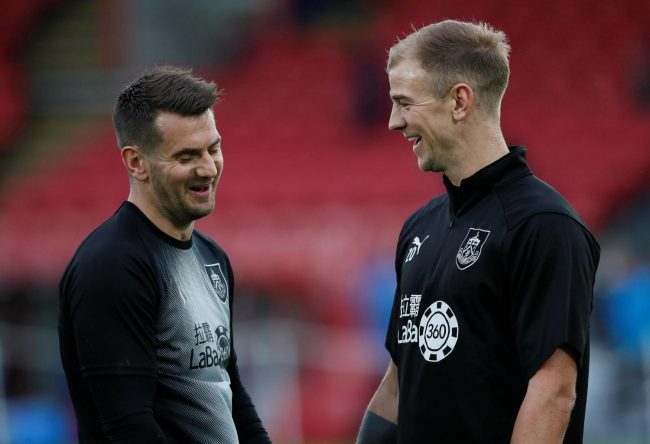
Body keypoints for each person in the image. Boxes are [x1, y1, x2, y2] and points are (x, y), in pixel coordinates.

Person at [357, 20, 600, 443]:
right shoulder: (419, 228)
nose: (395, 121)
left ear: (459, 101)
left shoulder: (544, 226)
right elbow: (398, 380)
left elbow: (554, 392)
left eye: (405, 103)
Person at [58, 66, 271, 443]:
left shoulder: (213, 258)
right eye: (187, 156)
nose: (209, 168)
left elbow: (230, 392)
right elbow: (129, 427)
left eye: (213, 148)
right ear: (136, 162)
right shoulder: (112, 267)